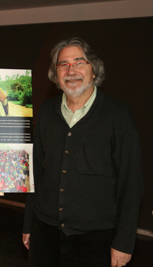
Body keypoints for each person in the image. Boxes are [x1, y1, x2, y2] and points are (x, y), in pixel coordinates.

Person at [22, 37, 143, 267]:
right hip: (45, 234)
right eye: (63, 64)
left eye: (79, 62)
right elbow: (35, 173)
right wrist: (29, 224)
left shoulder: (117, 116)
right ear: (56, 74)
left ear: (94, 70)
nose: (71, 70)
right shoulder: (47, 112)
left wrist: (125, 242)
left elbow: (132, 183)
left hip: (96, 240)